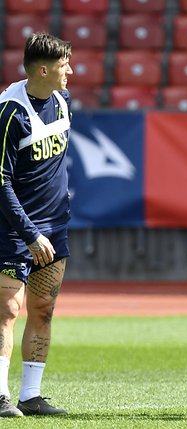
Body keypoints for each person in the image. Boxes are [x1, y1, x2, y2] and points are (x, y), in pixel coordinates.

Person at [0, 33, 73, 417]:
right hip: (14, 231)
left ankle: (31, 395)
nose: (71, 72)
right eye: (65, 65)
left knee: (43, 309)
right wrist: (29, 233)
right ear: (43, 70)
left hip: (54, 228)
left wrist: (49, 226)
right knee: (7, 310)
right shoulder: (9, 113)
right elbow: (1, 182)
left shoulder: (63, 101)